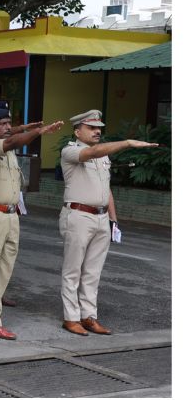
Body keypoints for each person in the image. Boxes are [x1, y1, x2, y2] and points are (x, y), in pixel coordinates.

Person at [59, 110, 159, 336]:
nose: (97, 131)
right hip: (79, 215)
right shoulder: (70, 151)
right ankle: (71, 317)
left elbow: (107, 189)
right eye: (91, 128)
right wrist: (128, 143)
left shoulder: (104, 156)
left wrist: (113, 219)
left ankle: (88, 316)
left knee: (93, 271)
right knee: (73, 270)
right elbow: (92, 152)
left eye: (99, 129)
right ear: (77, 131)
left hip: (102, 217)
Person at [0, 104, 63, 341]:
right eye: (2, 124)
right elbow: (10, 141)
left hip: (11, 215)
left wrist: (22, 128)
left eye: (9, 124)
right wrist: (39, 133)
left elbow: (11, 137)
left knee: (4, 269)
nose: (8, 128)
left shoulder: (6, 145)